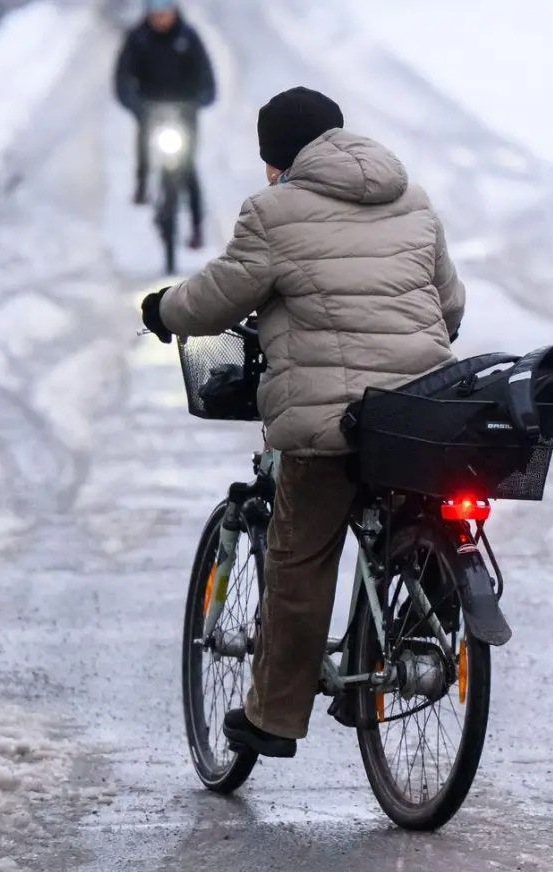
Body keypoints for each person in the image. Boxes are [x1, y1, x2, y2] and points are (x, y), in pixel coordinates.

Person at [140, 87, 466, 758]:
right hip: (421, 415)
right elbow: (450, 305)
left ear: (276, 160)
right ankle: (410, 640)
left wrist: (162, 310)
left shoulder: (273, 212)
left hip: (332, 423)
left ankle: (274, 718)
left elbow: (215, 298)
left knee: (299, 558)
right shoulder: (412, 198)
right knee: (411, 511)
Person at [114, 0, 217, 249]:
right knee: (144, 144)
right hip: (151, 111)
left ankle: (196, 228)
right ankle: (141, 185)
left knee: (188, 168)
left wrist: (201, 99)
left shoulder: (189, 38)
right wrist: (135, 105)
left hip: (184, 113)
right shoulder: (137, 39)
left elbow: (207, 78)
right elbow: (122, 79)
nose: (161, 18)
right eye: (156, 13)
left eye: (165, 13)